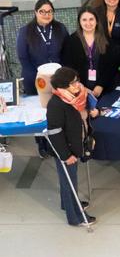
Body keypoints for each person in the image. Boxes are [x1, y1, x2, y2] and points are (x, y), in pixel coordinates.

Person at [46, 67, 99, 226]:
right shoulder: (56, 104)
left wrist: (92, 111)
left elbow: (79, 116)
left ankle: (67, 204)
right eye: (73, 83)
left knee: (67, 180)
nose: (77, 85)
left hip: (75, 145)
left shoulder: (77, 96)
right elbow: (54, 133)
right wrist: (66, 155)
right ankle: (76, 217)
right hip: (66, 150)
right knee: (69, 182)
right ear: (62, 86)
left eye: (77, 81)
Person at [16, 0, 69, 95]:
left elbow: (67, 53)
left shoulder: (61, 28)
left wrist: (62, 74)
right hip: (35, 78)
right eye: (42, 11)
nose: (46, 15)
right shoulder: (25, 31)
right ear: (36, 12)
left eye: (50, 11)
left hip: (58, 77)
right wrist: (39, 77)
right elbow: (23, 58)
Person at [61, 7, 111, 98]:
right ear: (79, 22)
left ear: (96, 21)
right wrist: (80, 86)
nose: (88, 23)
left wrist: (101, 85)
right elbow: (68, 67)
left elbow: (110, 65)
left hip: (104, 89)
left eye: (91, 19)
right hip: (79, 89)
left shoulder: (105, 38)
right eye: (84, 20)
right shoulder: (71, 41)